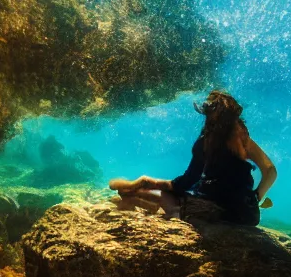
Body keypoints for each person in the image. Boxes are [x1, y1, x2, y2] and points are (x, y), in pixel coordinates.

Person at [109, 90, 277, 226]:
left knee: (162, 196)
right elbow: (270, 171)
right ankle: (150, 195)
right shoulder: (244, 140)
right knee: (174, 196)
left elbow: (188, 181)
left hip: (214, 212)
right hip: (248, 216)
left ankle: (161, 205)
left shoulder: (206, 142)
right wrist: (255, 198)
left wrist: (157, 183)